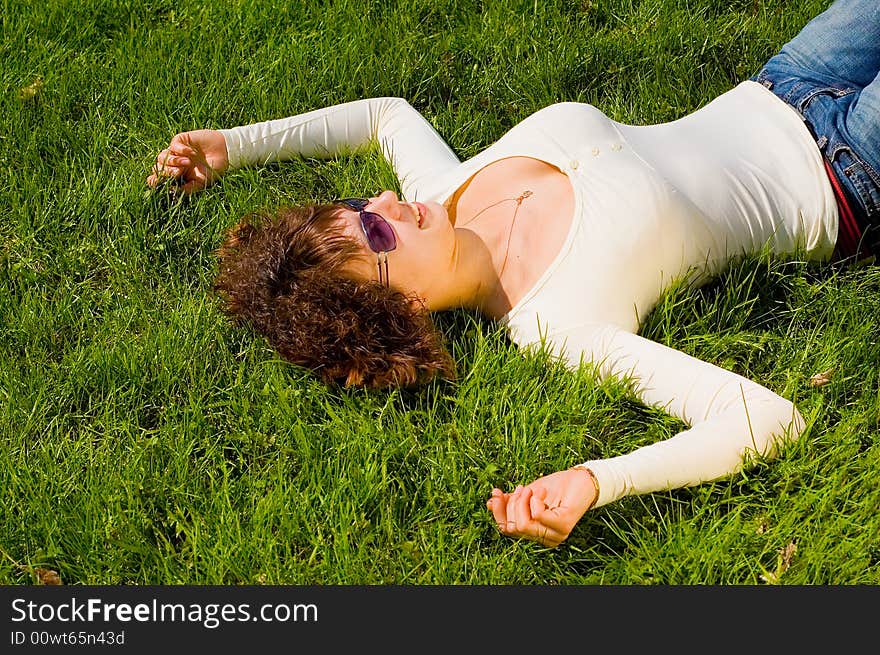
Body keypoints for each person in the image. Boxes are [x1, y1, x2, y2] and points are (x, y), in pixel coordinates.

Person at [147, 0, 879, 548]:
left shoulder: (446, 191)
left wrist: (236, 146)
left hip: (784, 83)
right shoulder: (558, 321)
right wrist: (600, 478)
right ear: (401, 301)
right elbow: (767, 417)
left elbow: (386, 115)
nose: (390, 201)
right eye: (375, 229)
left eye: (360, 203)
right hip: (849, 173)